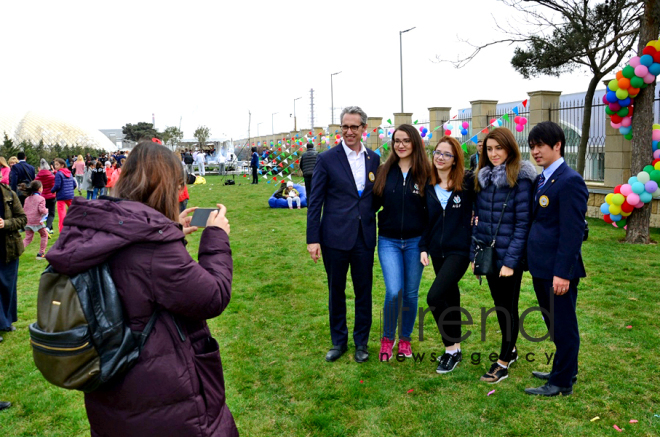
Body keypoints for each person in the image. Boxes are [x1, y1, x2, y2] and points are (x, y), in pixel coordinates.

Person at [45, 140, 238, 436]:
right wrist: (215, 237)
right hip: (166, 398)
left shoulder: (101, 226)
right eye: (177, 185)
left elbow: (140, 273)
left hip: (112, 387)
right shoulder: (152, 247)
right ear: (165, 187)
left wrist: (171, 231)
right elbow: (211, 297)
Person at [307, 106, 380, 363]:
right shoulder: (327, 159)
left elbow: (375, 197)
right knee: (335, 291)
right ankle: (338, 342)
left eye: (354, 127)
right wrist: (312, 239)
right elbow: (315, 201)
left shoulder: (374, 159)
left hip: (364, 237)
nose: (349, 132)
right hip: (334, 238)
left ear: (363, 129)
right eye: (345, 127)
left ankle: (362, 343)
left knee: (364, 292)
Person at [524, 121, 588, 397]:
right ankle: (565, 369)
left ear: (557, 145)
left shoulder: (570, 180)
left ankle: (561, 383)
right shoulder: (544, 178)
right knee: (554, 323)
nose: (535, 152)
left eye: (540, 146)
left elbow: (572, 233)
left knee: (563, 326)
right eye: (532, 147)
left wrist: (562, 272)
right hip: (541, 266)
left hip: (557, 271)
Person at [470, 128, 536, 383]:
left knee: (508, 308)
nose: (494, 153)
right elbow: (477, 220)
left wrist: (510, 263)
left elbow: (523, 224)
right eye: (489, 149)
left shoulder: (521, 178)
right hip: (488, 254)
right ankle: (513, 349)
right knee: (500, 306)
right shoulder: (482, 179)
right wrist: (474, 253)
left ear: (510, 148)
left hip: (509, 259)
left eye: (499, 148)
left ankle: (503, 361)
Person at [372, 124, 431, 361]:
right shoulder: (384, 170)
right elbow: (372, 204)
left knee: (410, 294)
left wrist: (425, 244)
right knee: (393, 291)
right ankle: (388, 339)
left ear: (415, 142)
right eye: (397, 140)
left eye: (406, 140)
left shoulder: (426, 172)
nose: (401, 145)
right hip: (389, 241)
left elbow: (432, 212)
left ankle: (405, 340)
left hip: (416, 242)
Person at [419, 136, 475, 374]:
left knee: (434, 297)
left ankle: (450, 348)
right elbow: (424, 221)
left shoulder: (467, 182)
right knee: (450, 297)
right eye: (437, 152)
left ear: (455, 160)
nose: (440, 157)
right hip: (437, 250)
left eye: (446, 154)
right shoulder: (427, 185)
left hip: (459, 250)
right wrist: (423, 246)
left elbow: (483, 205)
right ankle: (456, 349)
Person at [0, 181, 26, 335]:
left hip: (8, 248)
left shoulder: (9, 194)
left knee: (8, 287)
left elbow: (22, 219)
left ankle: (6, 321)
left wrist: (6, 223)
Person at [20, 180, 49, 259]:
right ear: (39, 189)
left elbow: (24, 209)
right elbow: (42, 210)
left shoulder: (27, 199)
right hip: (37, 221)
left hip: (28, 221)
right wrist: (47, 210)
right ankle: (41, 254)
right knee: (44, 235)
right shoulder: (41, 199)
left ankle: (17, 251)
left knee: (28, 238)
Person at [51, 158, 76, 233]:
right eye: (55, 164)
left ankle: (62, 231)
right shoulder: (69, 173)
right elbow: (74, 184)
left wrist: (52, 190)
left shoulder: (59, 174)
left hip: (61, 196)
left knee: (62, 214)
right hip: (70, 195)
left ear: (62, 165)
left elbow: (57, 185)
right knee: (74, 212)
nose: (55, 166)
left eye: (57, 165)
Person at [35, 159, 56, 234]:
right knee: (51, 213)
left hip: (42, 197)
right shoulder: (51, 176)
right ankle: (48, 227)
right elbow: (54, 186)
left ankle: (50, 228)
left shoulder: (37, 177)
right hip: (51, 196)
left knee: (45, 213)